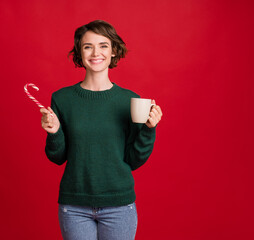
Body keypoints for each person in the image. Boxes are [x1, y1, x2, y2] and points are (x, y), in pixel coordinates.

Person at [40, 20, 162, 240]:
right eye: (88, 46)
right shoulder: (62, 99)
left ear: (114, 51)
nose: (96, 52)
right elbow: (57, 157)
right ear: (79, 52)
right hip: (74, 206)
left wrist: (148, 129)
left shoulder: (130, 100)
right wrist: (54, 132)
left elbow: (133, 160)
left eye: (103, 45)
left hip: (119, 207)